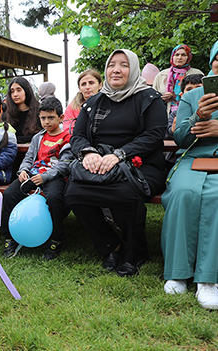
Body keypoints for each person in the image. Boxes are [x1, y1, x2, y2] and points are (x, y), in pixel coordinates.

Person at [66, 49, 166, 277]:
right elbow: (77, 136)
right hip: (99, 161)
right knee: (73, 193)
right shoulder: (94, 102)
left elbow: (154, 135)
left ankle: (136, 252)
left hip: (141, 164)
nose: (116, 70)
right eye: (112, 65)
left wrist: (120, 154)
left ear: (133, 69)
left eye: (123, 65)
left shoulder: (149, 98)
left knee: (125, 193)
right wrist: (88, 153)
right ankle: (111, 246)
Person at [161, 40, 218, 309]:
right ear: (212, 63)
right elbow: (180, 137)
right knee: (183, 192)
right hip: (193, 159)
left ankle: (208, 279)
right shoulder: (192, 95)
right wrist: (197, 117)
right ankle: (177, 272)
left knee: (216, 196)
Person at [0, 97, 72, 260]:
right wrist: (23, 171)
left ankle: (57, 238)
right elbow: (28, 158)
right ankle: (9, 237)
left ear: (61, 118)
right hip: (33, 173)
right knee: (9, 195)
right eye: (43, 118)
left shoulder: (67, 138)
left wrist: (45, 177)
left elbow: (65, 165)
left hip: (54, 177)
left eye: (51, 118)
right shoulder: (38, 137)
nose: (46, 122)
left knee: (53, 198)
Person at [153, 44, 203, 117]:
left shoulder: (197, 73)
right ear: (172, 56)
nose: (179, 58)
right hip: (166, 115)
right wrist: (162, 98)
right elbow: (152, 98)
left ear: (188, 57)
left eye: (183, 55)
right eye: (177, 55)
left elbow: (203, 94)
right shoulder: (161, 75)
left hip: (192, 113)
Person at [63, 70, 103, 134]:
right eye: (83, 84)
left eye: (91, 83)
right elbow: (68, 130)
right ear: (79, 88)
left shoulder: (108, 103)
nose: (87, 87)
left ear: (100, 85)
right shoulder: (72, 107)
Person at [4, 78, 41, 144]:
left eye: (19, 90)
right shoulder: (7, 113)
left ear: (26, 91)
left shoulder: (38, 111)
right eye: (12, 91)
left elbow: (39, 136)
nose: (15, 94)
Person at [166, 74, 203, 139]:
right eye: (189, 89)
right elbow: (165, 134)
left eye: (198, 88)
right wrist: (172, 130)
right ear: (182, 95)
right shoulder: (175, 114)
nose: (194, 92)